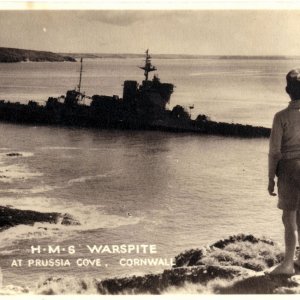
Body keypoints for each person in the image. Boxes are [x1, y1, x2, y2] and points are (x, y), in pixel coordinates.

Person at [268, 68, 300, 275]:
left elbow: (274, 152)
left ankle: (288, 264)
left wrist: (270, 178)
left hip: (290, 169)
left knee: (289, 219)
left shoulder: (281, 117)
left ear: (287, 90)